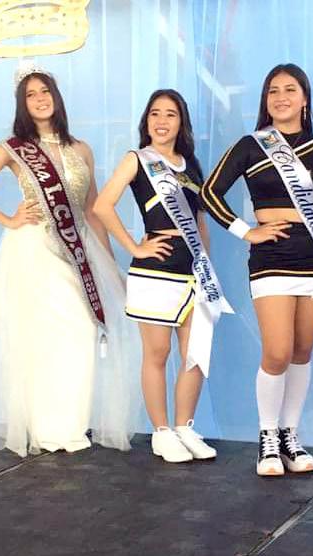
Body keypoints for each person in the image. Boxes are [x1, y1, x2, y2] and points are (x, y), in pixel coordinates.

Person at [0, 64, 139, 457]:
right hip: (33, 250)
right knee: (41, 338)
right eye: (31, 95)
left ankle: (71, 425)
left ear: (56, 97)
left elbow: (91, 211)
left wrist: (109, 266)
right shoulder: (13, 148)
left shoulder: (81, 149)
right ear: (22, 104)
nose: (40, 99)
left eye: (45, 91)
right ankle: (45, 428)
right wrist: (7, 219)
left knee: (81, 331)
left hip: (78, 249)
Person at [201, 63, 313, 477]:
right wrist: (246, 231)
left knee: (302, 351)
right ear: (265, 100)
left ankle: (291, 435)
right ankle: (267, 437)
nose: (281, 98)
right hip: (271, 260)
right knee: (276, 351)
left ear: (305, 98)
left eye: (290, 90)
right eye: (273, 91)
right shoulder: (250, 145)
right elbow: (209, 193)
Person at [93, 89, 228, 463]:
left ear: (181, 122)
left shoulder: (191, 165)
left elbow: (200, 221)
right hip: (155, 270)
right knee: (158, 352)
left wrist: (206, 267)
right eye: (155, 113)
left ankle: (185, 427)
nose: (162, 121)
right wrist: (134, 248)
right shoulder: (137, 159)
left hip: (193, 269)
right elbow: (102, 206)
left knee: (194, 353)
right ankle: (162, 432)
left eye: (170, 114)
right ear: (146, 121)